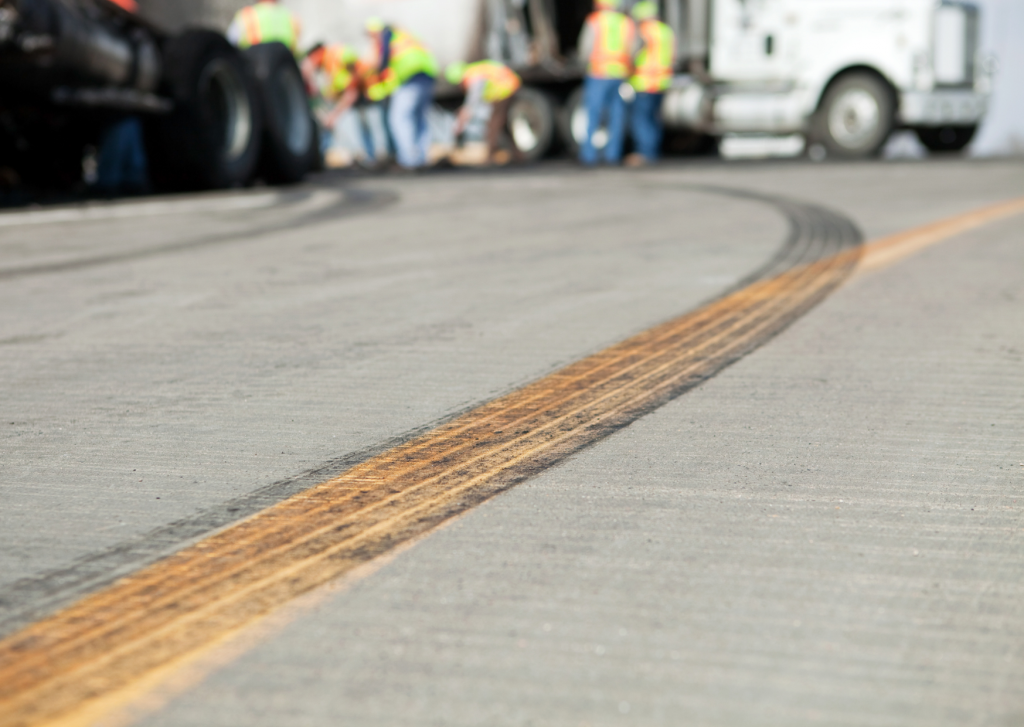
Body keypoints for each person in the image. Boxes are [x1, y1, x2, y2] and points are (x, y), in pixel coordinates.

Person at [363, 18, 439, 169]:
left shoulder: (386, 37)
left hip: (409, 76)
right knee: (419, 118)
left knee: (399, 118)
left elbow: (382, 64)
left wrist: (373, 83)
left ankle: (409, 160)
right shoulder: (405, 35)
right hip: (428, 74)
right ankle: (421, 158)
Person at [576, 0, 636, 166]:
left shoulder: (595, 20)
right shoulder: (626, 23)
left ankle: (588, 155)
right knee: (616, 116)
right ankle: (613, 155)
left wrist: (583, 64)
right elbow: (634, 48)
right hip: (619, 74)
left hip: (598, 73)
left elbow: (585, 47)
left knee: (593, 115)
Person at [304, 43, 377, 163]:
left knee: (364, 125)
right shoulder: (328, 65)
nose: (313, 63)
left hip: (365, 91)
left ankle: (369, 157)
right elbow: (335, 89)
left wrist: (334, 114)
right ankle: (367, 157)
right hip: (351, 95)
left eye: (312, 58)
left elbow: (352, 88)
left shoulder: (339, 54)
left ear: (318, 53)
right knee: (332, 123)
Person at [626, 1, 675, 166]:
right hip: (661, 82)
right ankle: (652, 152)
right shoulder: (665, 31)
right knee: (654, 119)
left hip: (644, 83)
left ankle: (644, 153)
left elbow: (633, 54)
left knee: (641, 119)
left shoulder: (643, 32)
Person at [445, 60, 522, 164]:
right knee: (502, 124)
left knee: (493, 123)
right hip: (510, 85)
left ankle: (491, 154)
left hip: (506, 89)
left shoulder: (472, 76)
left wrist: (464, 116)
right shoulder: (474, 70)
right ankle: (518, 155)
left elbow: (474, 99)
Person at [227, 0, 301, 54]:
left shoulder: (245, 16)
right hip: (284, 71)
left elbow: (228, 49)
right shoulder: (292, 18)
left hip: (252, 72)